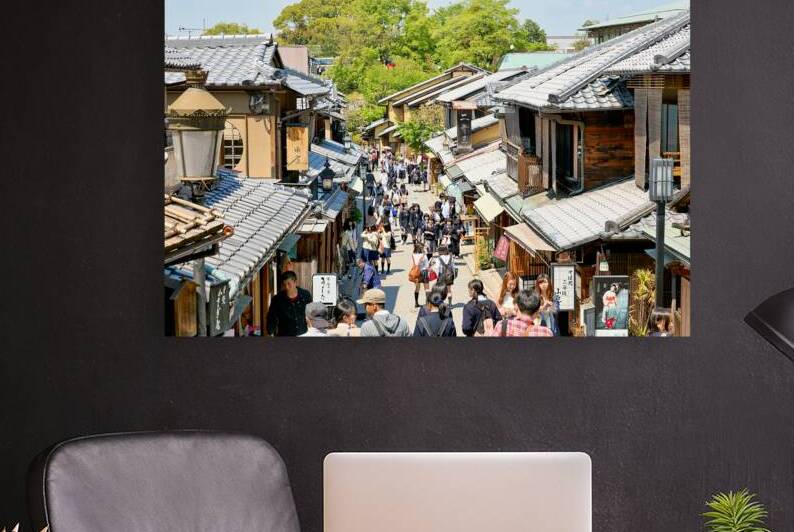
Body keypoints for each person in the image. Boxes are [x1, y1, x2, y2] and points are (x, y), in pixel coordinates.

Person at [266, 271, 313, 337]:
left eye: (289, 284)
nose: (287, 287)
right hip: (284, 335)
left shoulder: (305, 295)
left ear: (295, 282)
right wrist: (270, 333)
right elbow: (271, 318)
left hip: (303, 333)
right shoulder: (277, 299)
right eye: (284, 285)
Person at [409, 242, 431, 308]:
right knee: (427, 288)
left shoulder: (413, 255)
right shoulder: (424, 256)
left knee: (417, 288)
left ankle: (416, 303)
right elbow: (427, 266)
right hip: (424, 272)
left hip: (416, 272)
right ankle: (427, 303)